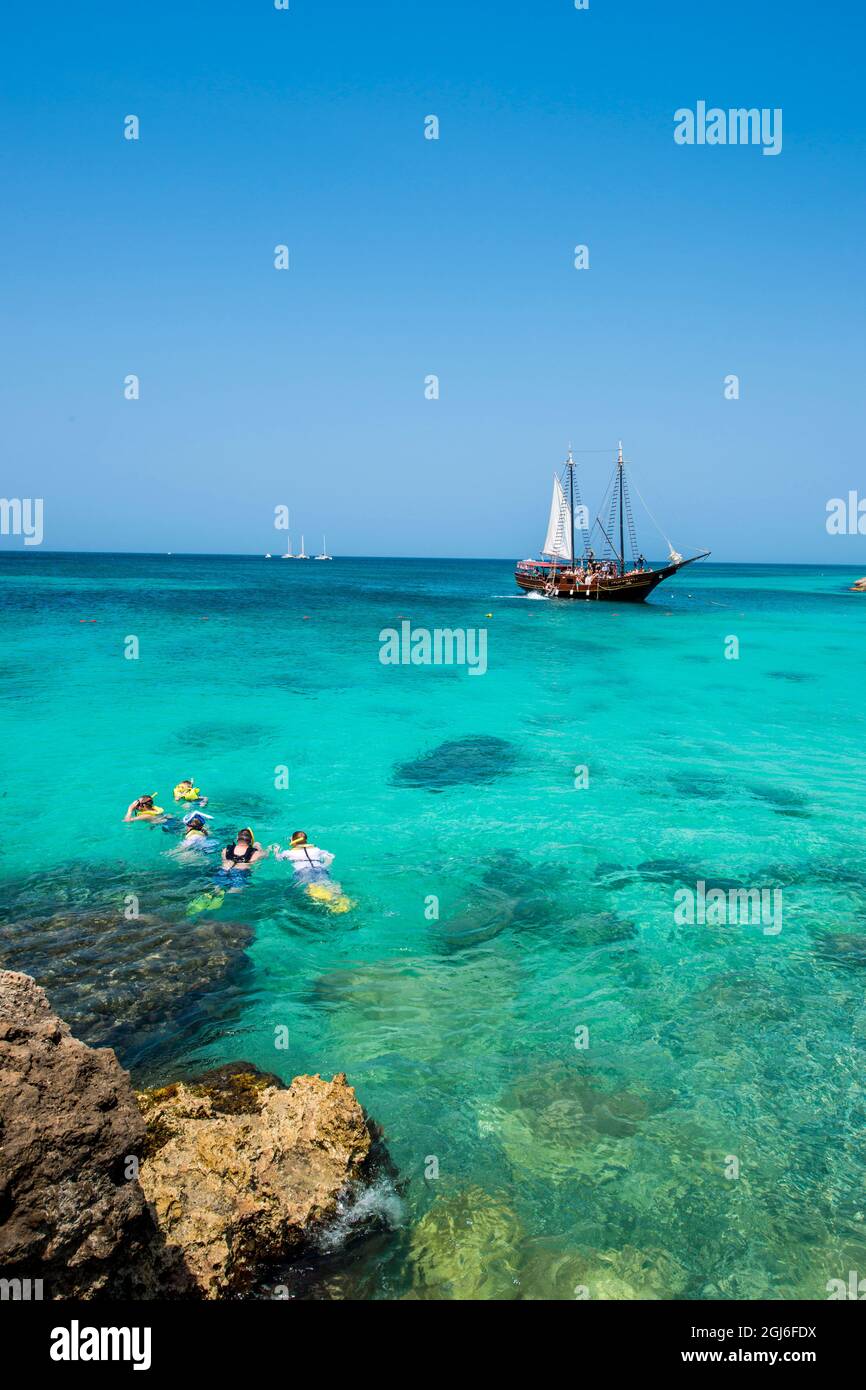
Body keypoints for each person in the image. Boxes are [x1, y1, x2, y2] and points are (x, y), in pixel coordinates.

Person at [270, 831, 352, 913]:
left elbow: (278, 858)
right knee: (328, 884)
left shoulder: (289, 853)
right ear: (306, 840)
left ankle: (326, 904)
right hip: (320, 870)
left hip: (303, 872)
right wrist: (325, 865)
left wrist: (276, 850)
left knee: (311, 889)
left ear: (293, 841)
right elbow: (330, 857)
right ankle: (340, 899)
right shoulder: (316, 850)